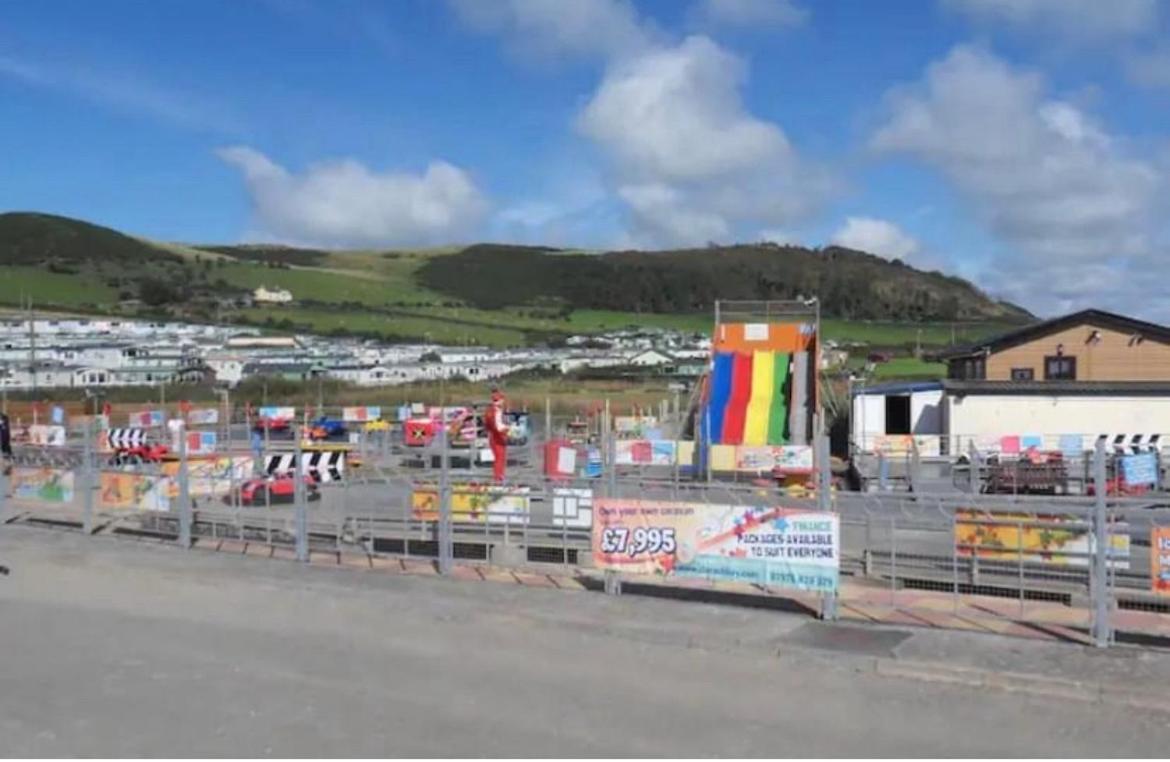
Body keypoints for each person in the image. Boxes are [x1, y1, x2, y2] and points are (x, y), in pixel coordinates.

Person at [484, 389, 510, 483]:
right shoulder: (496, 411)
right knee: (500, 458)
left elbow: (488, 425)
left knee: (498, 458)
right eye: (501, 400)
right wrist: (508, 430)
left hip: (492, 436)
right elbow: (498, 427)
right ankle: (498, 478)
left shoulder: (489, 411)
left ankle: (498, 477)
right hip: (498, 437)